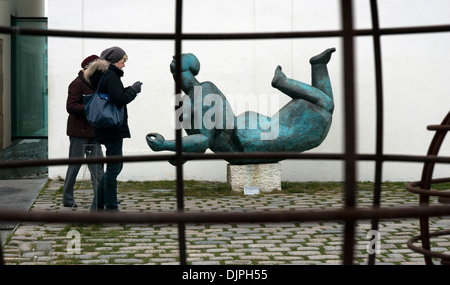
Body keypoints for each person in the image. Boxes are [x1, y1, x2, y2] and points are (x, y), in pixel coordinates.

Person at [147, 48, 335, 164]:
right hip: (248, 144)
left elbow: (197, 143)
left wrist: (175, 150)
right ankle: (285, 80)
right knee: (325, 105)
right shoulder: (203, 92)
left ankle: (316, 66)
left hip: (248, 142)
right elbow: (202, 141)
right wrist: (166, 145)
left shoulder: (185, 102)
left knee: (321, 104)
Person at [84, 46, 142, 211]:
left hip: (104, 127)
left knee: (114, 166)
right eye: (123, 61)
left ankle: (97, 207)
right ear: (115, 60)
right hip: (112, 127)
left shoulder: (101, 75)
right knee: (114, 167)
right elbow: (119, 99)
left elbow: (112, 95)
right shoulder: (110, 75)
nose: (124, 65)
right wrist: (133, 90)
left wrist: (127, 90)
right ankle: (110, 207)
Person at [62, 55, 104, 208]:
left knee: (98, 165)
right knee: (75, 165)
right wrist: (90, 108)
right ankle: (67, 198)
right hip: (78, 132)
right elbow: (71, 107)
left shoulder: (97, 83)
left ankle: (101, 197)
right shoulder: (76, 84)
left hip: (94, 131)